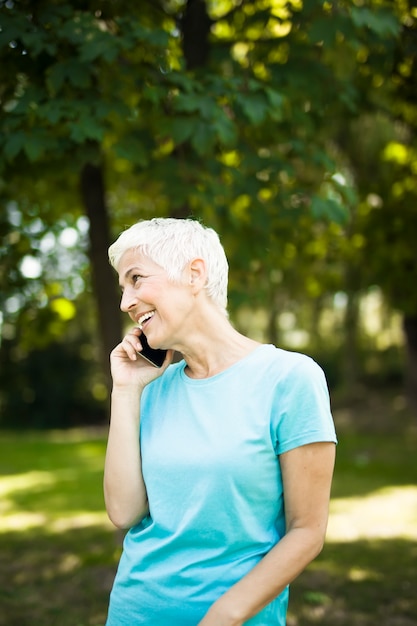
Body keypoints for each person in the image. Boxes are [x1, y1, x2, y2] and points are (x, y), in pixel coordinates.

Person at [104, 217, 337, 626]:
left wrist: (224, 616)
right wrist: (125, 391)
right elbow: (123, 513)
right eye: (123, 288)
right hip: (133, 613)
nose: (126, 302)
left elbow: (307, 531)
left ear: (195, 274)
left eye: (136, 279)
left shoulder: (290, 379)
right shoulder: (151, 387)